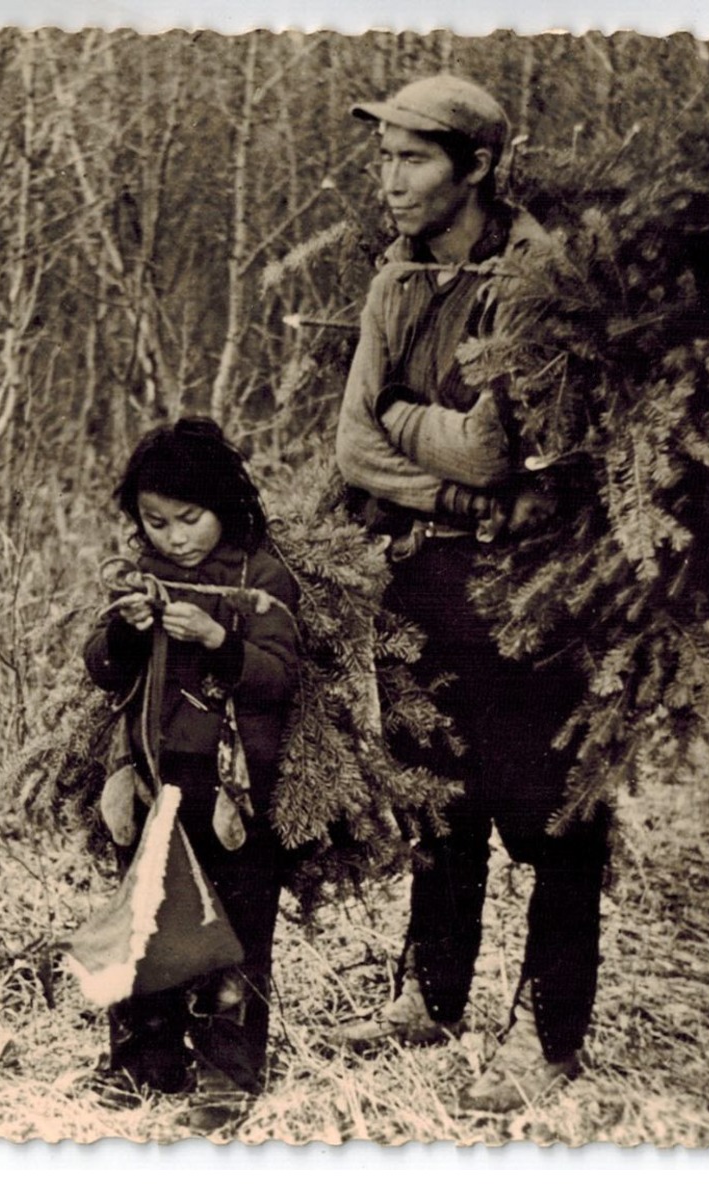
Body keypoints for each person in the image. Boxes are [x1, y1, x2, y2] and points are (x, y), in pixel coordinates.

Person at [333, 74, 610, 1112]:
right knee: (438, 797)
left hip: (523, 582)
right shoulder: (392, 281)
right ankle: (433, 1000)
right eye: (382, 158)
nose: (388, 180)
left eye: (411, 159)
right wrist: (426, 450)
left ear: (477, 167)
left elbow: (502, 454)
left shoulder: (535, 281)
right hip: (423, 571)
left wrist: (409, 424)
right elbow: (351, 444)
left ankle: (551, 1045)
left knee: (547, 818)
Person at [80, 418, 301, 1132]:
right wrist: (125, 627)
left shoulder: (259, 576)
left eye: (189, 519)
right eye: (155, 522)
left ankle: (227, 1072)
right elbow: (101, 666)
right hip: (154, 777)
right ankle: (145, 1060)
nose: (174, 538)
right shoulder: (141, 575)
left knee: (233, 932)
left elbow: (279, 676)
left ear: (224, 505)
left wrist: (219, 642)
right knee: (146, 920)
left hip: (231, 790)